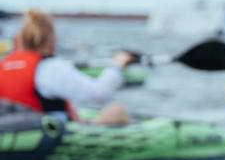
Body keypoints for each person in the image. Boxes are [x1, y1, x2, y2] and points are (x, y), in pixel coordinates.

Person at [0, 9, 132, 126]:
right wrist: (117, 65)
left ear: (20, 39)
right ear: (52, 41)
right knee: (117, 110)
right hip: (49, 137)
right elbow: (98, 93)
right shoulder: (50, 67)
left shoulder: (3, 65)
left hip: (17, 132)